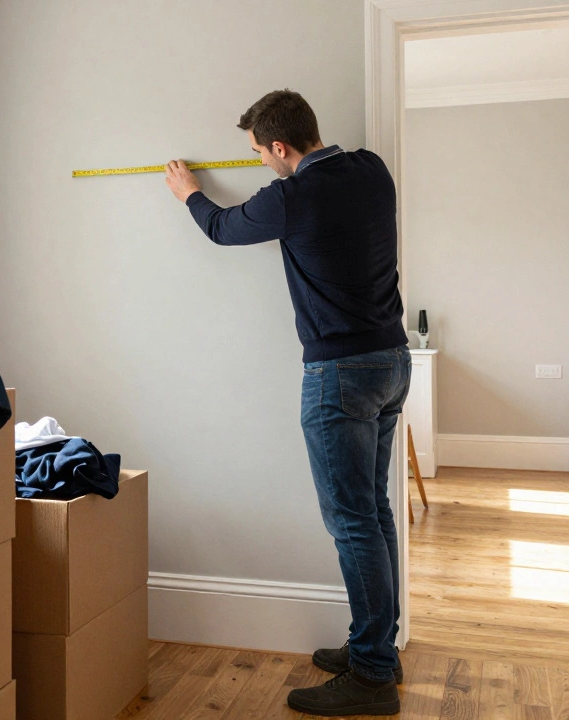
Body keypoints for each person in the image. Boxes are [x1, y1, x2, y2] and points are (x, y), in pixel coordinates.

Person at [165, 89, 411, 717]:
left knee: (353, 521)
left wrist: (187, 192)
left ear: (280, 146)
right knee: (374, 512)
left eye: (262, 154)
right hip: (391, 360)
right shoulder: (372, 168)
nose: (263, 165)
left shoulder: (292, 196)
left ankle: (373, 676)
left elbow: (222, 228)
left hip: (339, 374)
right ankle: (375, 646)